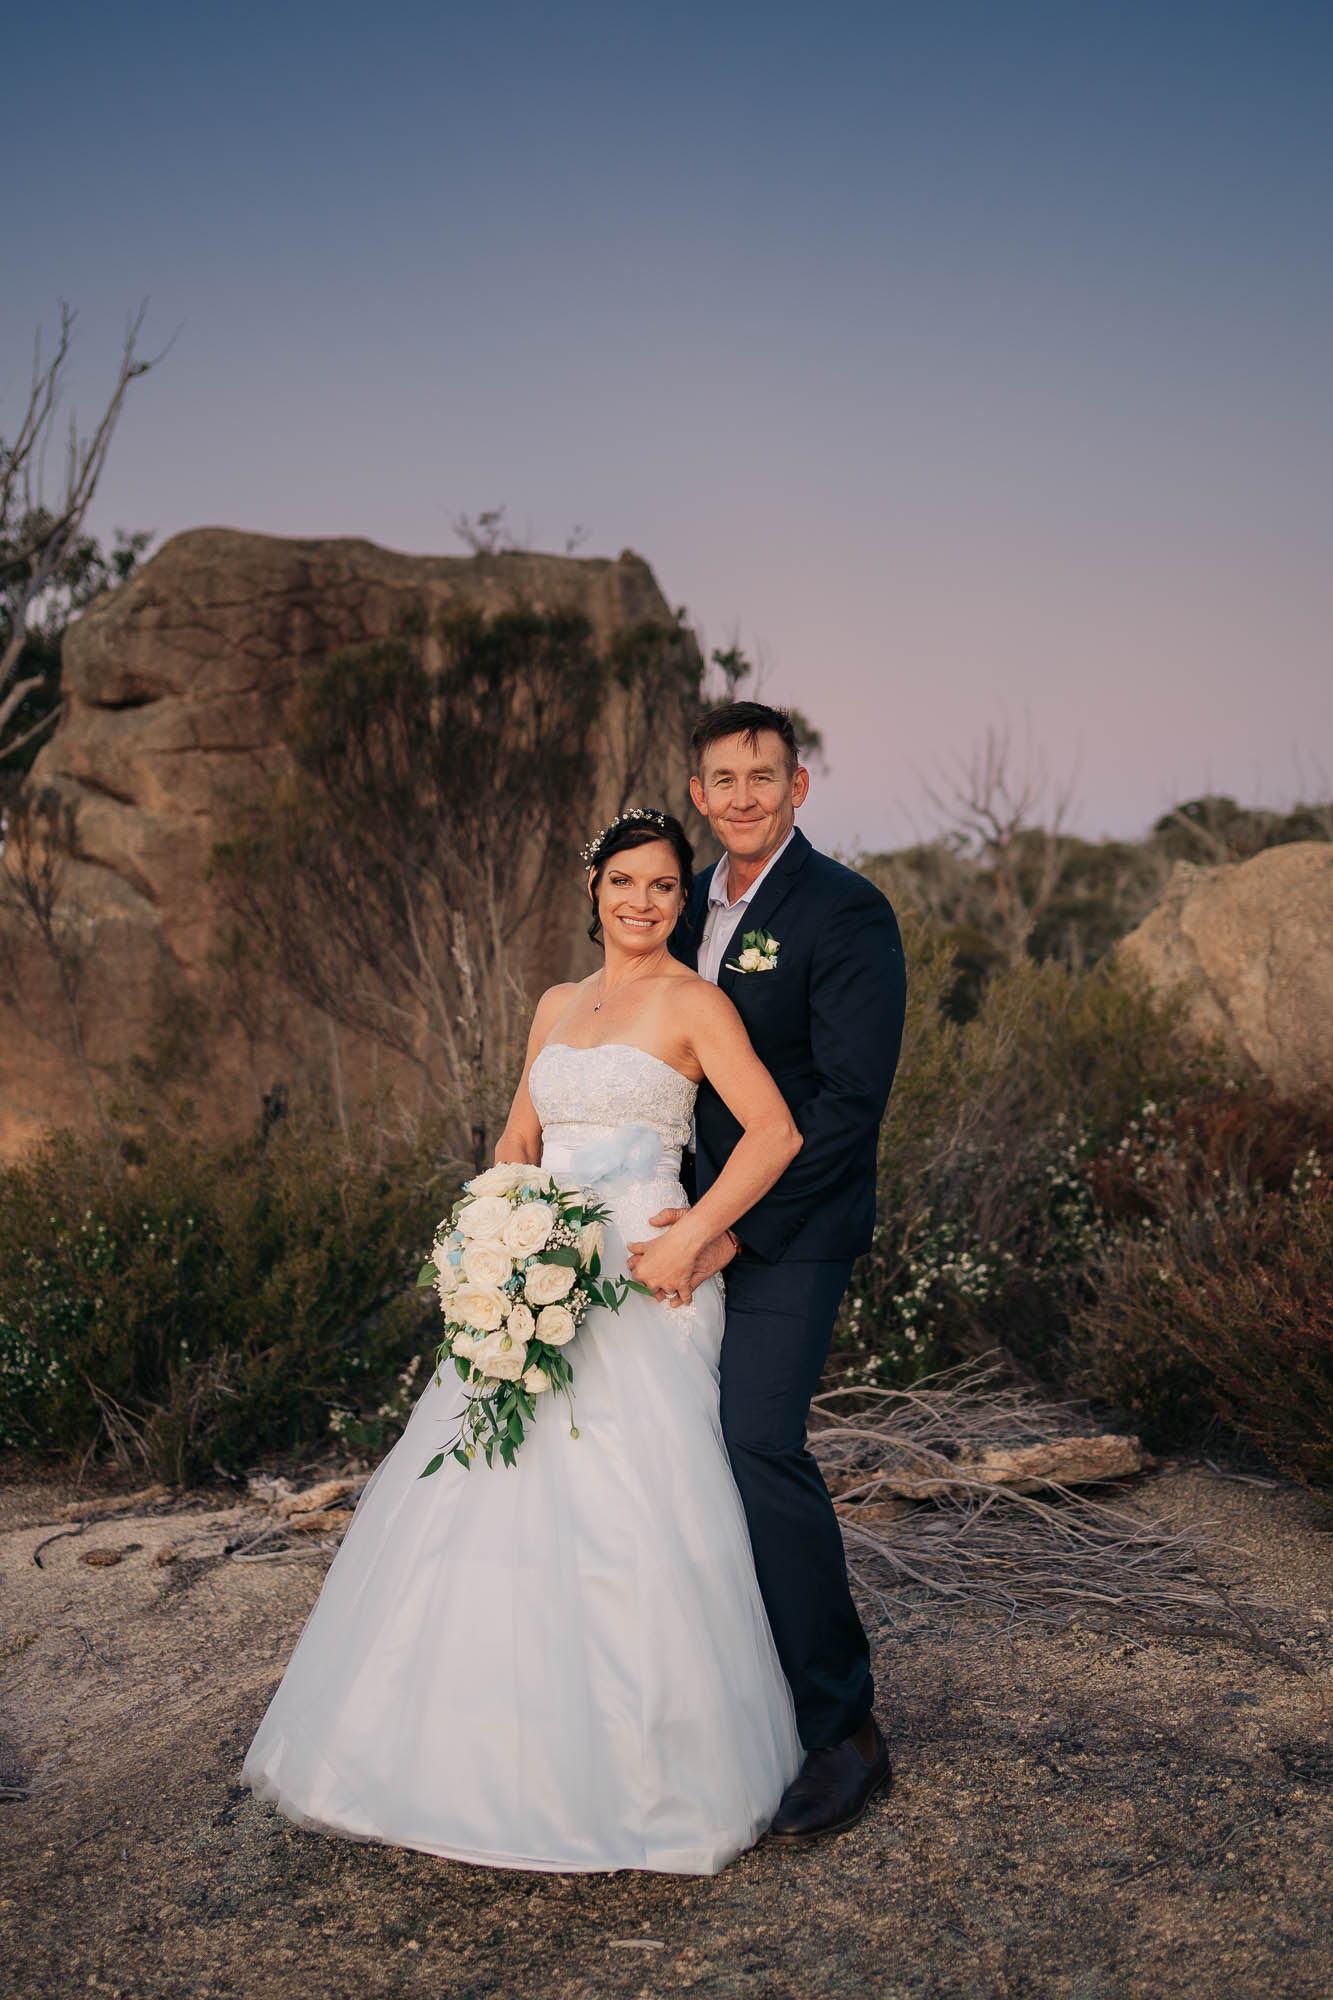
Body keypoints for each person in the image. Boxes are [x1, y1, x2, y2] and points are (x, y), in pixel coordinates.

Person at [242, 809, 812, 1874]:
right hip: (533, 1274)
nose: (643, 901)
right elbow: (518, 1136)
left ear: (683, 902)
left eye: (664, 887)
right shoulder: (555, 1002)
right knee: (489, 1489)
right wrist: (495, 1232)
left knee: (628, 1507)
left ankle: (646, 1777)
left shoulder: (697, 1003)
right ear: (592, 888)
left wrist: (694, 1233)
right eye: (625, 882)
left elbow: (774, 1132)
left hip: (641, 1286)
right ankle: (466, 1756)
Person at [634, 700, 906, 1844]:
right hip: (676, 1219)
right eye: (721, 778)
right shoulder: (677, 906)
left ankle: (843, 1728)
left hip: (788, 1229)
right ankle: (712, 1703)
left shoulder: (845, 911)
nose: (741, 794)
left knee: (757, 1441)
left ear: (798, 785)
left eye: (762, 774)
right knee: (664, 1448)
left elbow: (846, 1104)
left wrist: (728, 1229)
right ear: (698, 794)